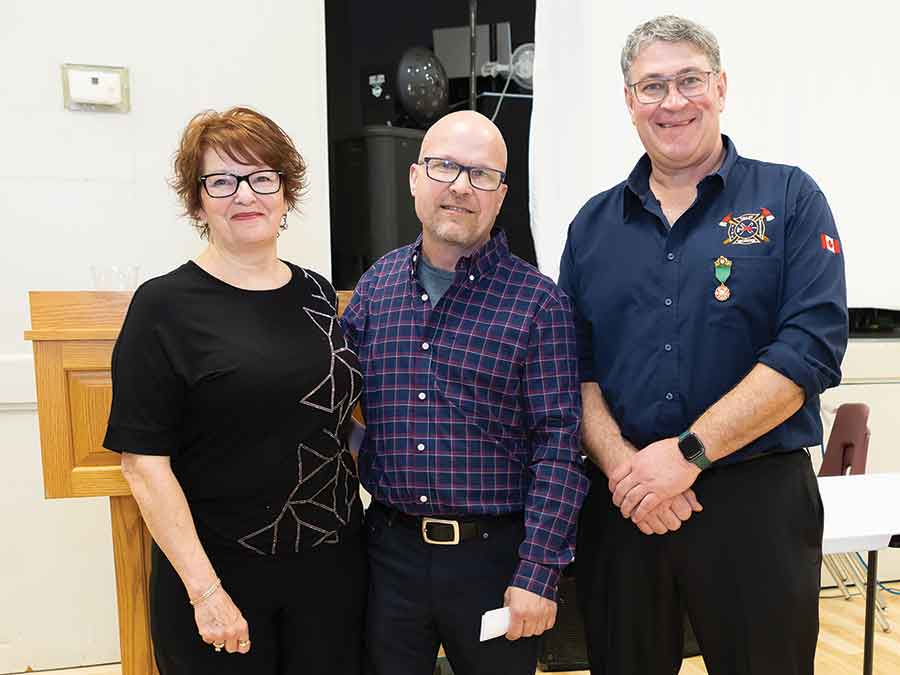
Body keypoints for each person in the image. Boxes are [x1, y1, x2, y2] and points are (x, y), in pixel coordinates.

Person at [558, 15, 848, 675]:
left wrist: (688, 454)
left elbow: (810, 348)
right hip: (625, 505)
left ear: (720, 87)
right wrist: (629, 470)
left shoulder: (789, 199)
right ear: (630, 102)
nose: (674, 101)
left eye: (689, 80)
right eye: (652, 86)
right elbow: (572, 367)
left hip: (756, 505)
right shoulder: (592, 225)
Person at [103, 107, 366, 675]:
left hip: (332, 572)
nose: (244, 194)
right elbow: (143, 465)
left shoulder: (318, 293)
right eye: (221, 181)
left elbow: (337, 421)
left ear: (284, 190)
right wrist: (206, 593)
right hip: (222, 578)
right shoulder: (163, 307)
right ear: (198, 201)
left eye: (261, 176)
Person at [340, 110, 588, 675]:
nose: (459, 186)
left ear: (501, 196)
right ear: (414, 178)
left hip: (495, 562)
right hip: (390, 554)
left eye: (480, 175)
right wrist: (360, 450)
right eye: (444, 166)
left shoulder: (539, 305)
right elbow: (337, 401)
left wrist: (539, 574)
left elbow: (560, 450)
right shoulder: (377, 287)